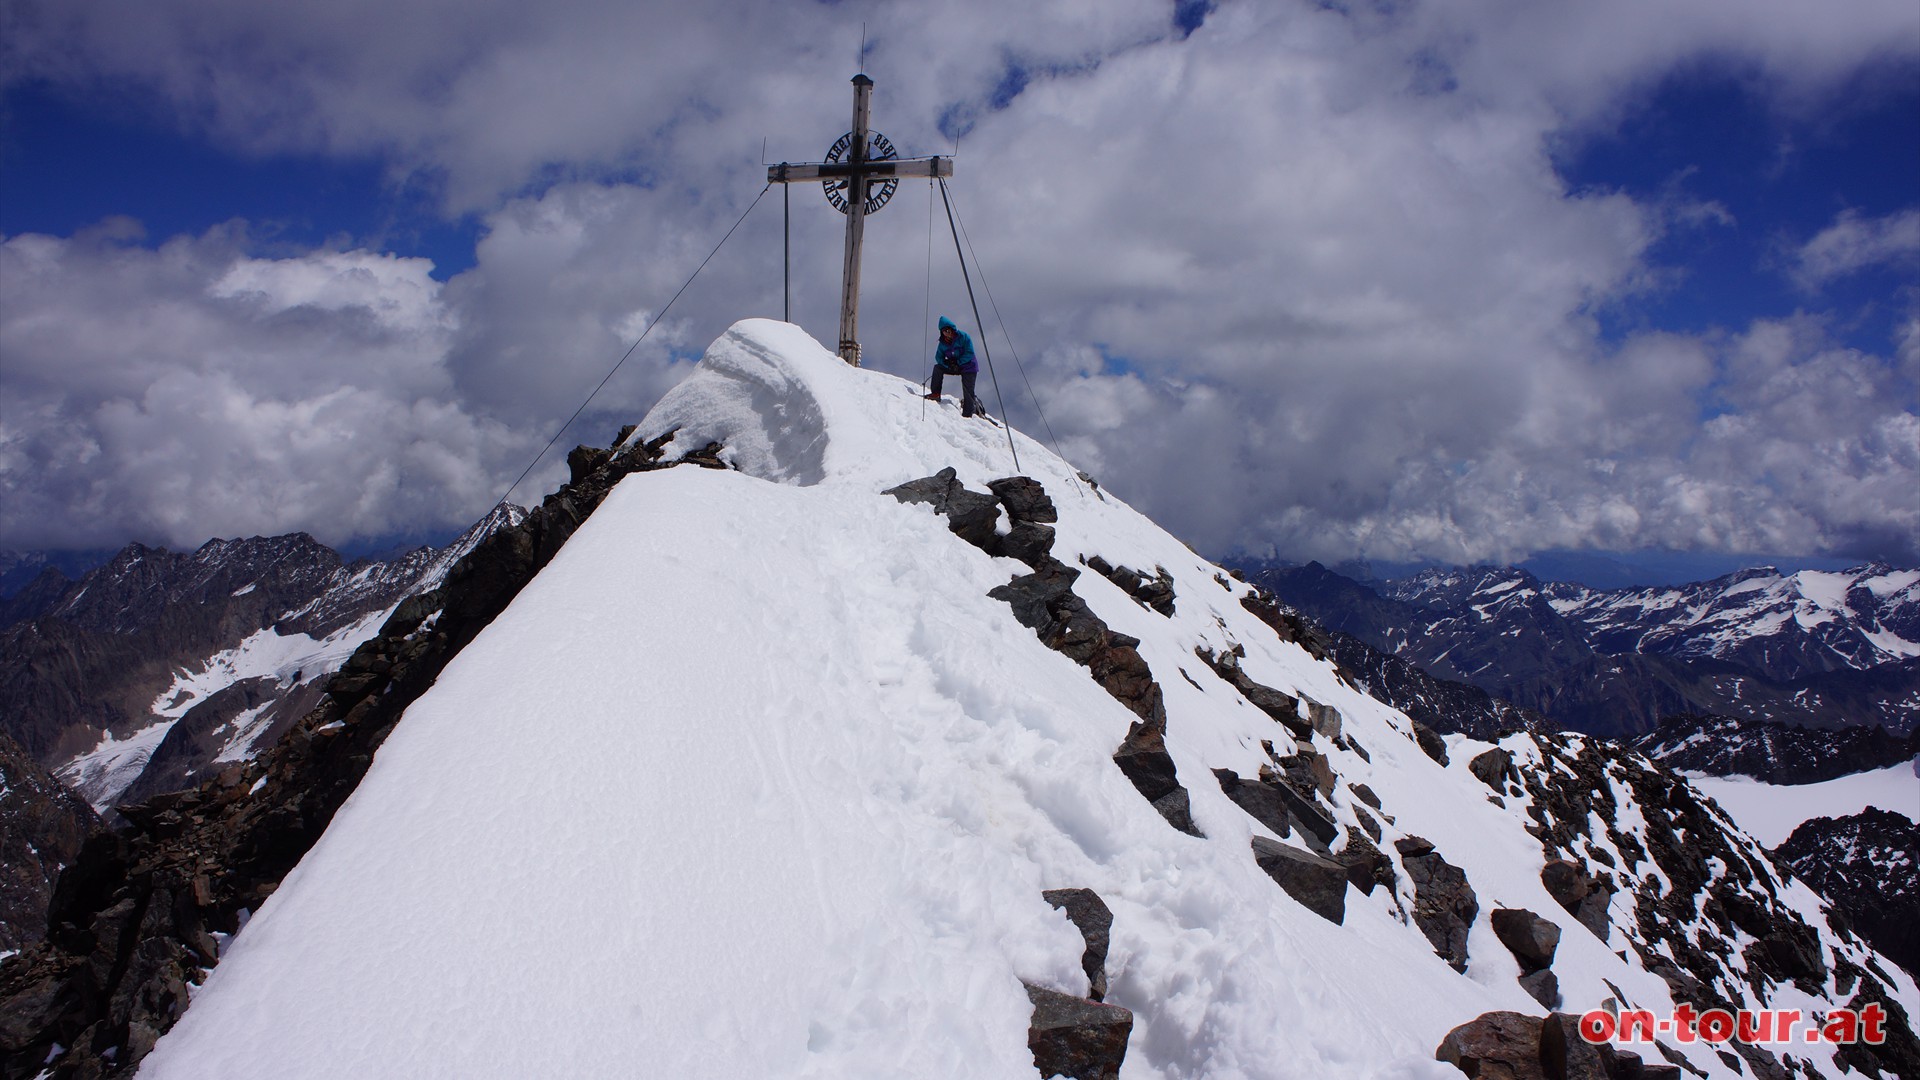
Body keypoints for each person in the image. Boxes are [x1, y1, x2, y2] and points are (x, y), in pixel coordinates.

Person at [925, 316, 982, 418]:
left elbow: (970, 353)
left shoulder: (964, 337)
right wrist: (947, 364)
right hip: (954, 367)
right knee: (938, 368)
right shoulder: (943, 343)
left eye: (948, 330)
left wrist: (958, 362)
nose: (947, 333)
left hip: (969, 367)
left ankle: (968, 414)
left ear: (952, 329)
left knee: (968, 390)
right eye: (944, 331)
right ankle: (935, 394)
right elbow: (938, 357)